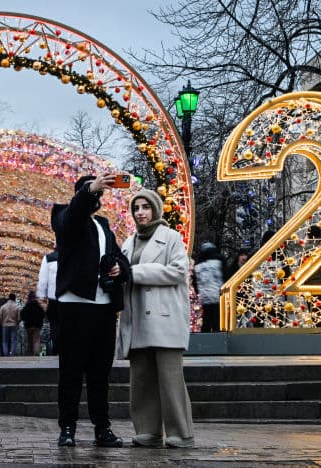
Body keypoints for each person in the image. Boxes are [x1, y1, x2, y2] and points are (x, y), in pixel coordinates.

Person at [52, 173, 128, 448]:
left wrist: (120, 268)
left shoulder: (104, 226)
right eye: (92, 193)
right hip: (75, 304)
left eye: (99, 193)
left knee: (100, 373)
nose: (96, 198)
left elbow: (120, 257)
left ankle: (102, 427)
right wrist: (89, 189)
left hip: (103, 307)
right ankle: (68, 427)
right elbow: (74, 214)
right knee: (71, 371)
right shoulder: (64, 217)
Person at [117, 189, 195, 448]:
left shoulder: (171, 237)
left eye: (145, 207)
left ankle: (180, 433)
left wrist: (132, 272)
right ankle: (147, 431)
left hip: (164, 317)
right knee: (141, 381)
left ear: (155, 210)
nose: (140, 212)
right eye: (136, 208)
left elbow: (177, 272)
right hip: (137, 318)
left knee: (171, 380)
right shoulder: (128, 243)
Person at [193, 242, 225, 333]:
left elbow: (195, 282)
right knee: (217, 319)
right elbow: (225, 275)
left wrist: (198, 291)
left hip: (204, 296)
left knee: (206, 319)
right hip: (218, 295)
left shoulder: (198, 265)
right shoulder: (219, 261)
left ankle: (205, 337)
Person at [35, 247, 60, 355]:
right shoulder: (75, 256)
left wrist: (41, 296)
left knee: (55, 326)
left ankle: (57, 349)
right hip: (70, 299)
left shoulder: (49, 258)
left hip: (53, 299)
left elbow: (43, 280)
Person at [21, 291, 45, 355]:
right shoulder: (39, 307)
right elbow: (43, 315)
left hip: (28, 326)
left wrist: (25, 320)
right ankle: (36, 352)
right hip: (37, 325)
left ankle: (30, 352)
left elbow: (22, 315)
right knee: (36, 340)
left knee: (29, 340)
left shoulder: (26, 307)